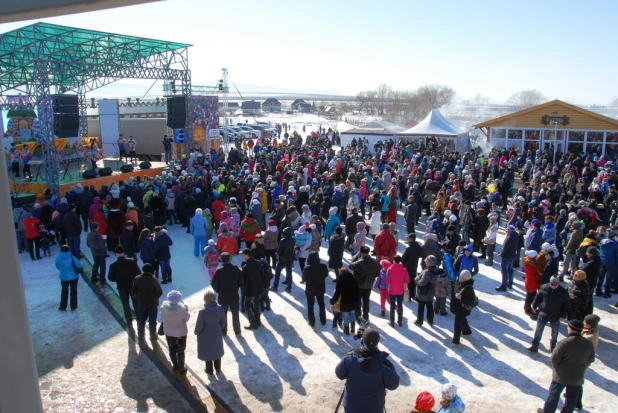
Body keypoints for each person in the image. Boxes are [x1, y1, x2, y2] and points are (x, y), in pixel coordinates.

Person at [334, 328, 400, 413]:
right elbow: (393, 385)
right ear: (377, 342)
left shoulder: (350, 359)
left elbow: (339, 373)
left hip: (351, 408)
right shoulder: (385, 365)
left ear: (363, 341)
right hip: (374, 409)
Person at [536, 320, 595, 413]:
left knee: (554, 395)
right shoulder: (588, 343)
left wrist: (557, 368)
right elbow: (591, 359)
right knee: (571, 399)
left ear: (571, 329)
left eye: (568, 327)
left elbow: (554, 358)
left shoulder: (564, 342)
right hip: (578, 376)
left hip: (561, 375)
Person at [528, 276, 570, 353]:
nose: (553, 286)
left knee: (554, 333)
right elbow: (538, 297)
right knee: (538, 331)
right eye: (552, 284)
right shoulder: (544, 287)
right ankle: (535, 346)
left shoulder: (563, 292)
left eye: (555, 285)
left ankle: (553, 347)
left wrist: (563, 316)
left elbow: (566, 305)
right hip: (543, 313)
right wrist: (534, 305)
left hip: (555, 315)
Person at [108, 245, 141, 326]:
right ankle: (138, 316)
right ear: (124, 252)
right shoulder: (131, 261)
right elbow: (138, 273)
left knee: (125, 303)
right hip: (132, 286)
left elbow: (110, 278)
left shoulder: (113, 265)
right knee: (136, 302)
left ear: (116, 254)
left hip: (121, 287)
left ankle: (128, 318)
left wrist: (118, 279)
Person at [194, 290, 225, 375]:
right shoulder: (220, 308)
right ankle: (218, 368)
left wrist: (196, 332)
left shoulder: (203, 312)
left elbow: (199, 325)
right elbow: (223, 322)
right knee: (217, 350)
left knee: (208, 352)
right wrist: (218, 329)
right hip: (216, 333)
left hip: (205, 335)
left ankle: (209, 370)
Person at [211, 252, 242, 336]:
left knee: (223, 315)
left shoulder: (219, 271)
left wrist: (218, 291)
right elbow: (241, 281)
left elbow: (214, 284)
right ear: (230, 259)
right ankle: (237, 330)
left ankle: (223, 331)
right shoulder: (236, 269)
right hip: (234, 295)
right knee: (235, 314)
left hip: (223, 297)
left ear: (221, 260)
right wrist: (237, 287)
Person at [160, 290, 190, 375]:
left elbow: (162, 316)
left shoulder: (163, 308)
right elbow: (187, 318)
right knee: (180, 351)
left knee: (172, 349)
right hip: (181, 333)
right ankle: (181, 368)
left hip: (169, 333)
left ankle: (175, 365)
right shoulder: (182, 310)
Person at [132, 263, 163, 342]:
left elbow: (134, 290)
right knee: (152, 321)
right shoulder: (154, 280)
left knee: (141, 320)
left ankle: (140, 335)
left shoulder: (137, 279)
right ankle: (153, 335)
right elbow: (159, 292)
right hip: (152, 304)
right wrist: (155, 297)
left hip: (141, 303)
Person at [350, 245, 381, 321]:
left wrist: (356, 256)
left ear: (360, 253)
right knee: (366, 301)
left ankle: (358, 316)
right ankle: (366, 316)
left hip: (359, 284)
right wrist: (374, 276)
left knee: (358, 301)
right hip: (369, 283)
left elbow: (350, 266)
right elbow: (379, 271)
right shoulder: (375, 262)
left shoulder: (359, 262)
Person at [302, 252, 329, 327]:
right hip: (320, 288)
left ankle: (311, 321)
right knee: (321, 304)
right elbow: (326, 275)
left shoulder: (307, 268)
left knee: (310, 305)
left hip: (310, 288)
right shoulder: (323, 266)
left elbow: (304, 279)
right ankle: (323, 320)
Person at [330, 268, 360, 335]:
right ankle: (352, 329)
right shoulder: (354, 280)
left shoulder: (340, 281)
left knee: (345, 316)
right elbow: (358, 292)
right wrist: (357, 301)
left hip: (345, 303)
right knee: (352, 315)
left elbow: (337, 293)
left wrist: (333, 301)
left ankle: (346, 330)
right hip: (353, 302)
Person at [450, 270, 476, 345]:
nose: (459, 277)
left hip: (462, 309)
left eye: (461, 276)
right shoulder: (459, 282)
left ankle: (455, 341)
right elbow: (454, 289)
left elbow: (471, 300)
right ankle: (467, 332)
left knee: (457, 324)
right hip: (457, 306)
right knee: (462, 320)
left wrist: (461, 298)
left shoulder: (469, 288)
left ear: (465, 278)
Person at [415, 255, 442, 327]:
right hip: (431, 292)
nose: (425, 262)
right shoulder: (437, 270)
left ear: (430, 263)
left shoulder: (427, 272)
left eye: (427, 261)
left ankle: (419, 321)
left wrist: (417, 280)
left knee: (421, 307)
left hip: (423, 293)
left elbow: (422, 283)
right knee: (430, 306)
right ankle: (430, 321)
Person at [241, 248, 264, 330]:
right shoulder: (258, 263)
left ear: (247, 255)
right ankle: (258, 320)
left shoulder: (246, 267)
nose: (243, 256)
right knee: (257, 304)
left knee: (247, 305)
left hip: (250, 290)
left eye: (243, 254)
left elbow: (245, 281)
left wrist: (244, 289)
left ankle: (253, 322)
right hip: (259, 288)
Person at [55, 245, 82, 311]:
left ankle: (63, 306)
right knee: (73, 291)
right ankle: (73, 306)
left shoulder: (58, 258)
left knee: (64, 291)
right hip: (73, 277)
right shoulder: (72, 257)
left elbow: (57, 267)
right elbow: (79, 265)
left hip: (63, 277)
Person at [386, 255, 410, 327]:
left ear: (394, 260)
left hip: (392, 290)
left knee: (392, 306)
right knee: (400, 306)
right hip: (400, 290)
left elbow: (387, 281)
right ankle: (400, 321)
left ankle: (392, 322)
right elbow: (407, 280)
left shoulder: (390, 269)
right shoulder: (404, 270)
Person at [271, 227, 296, 293]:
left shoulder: (283, 241)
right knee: (289, 272)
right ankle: (289, 287)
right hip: (290, 258)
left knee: (277, 273)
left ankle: (275, 286)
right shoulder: (293, 239)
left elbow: (279, 251)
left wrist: (277, 255)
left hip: (282, 259)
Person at [496, 225, 519, 291]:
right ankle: (510, 283)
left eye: (507, 229)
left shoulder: (508, 238)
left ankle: (504, 286)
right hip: (512, 255)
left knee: (504, 271)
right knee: (510, 270)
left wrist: (501, 254)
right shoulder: (516, 235)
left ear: (510, 230)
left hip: (506, 256)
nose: (506, 230)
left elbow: (505, 248)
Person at [402, 233, 422, 300]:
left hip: (408, 266)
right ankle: (413, 295)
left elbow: (403, 258)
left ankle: (408, 296)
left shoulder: (409, 248)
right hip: (414, 265)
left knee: (407, 281)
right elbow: (420, 255)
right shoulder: (418, 246)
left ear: (411, 239)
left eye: (408, 238)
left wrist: (402, 264)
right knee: (413, 280)